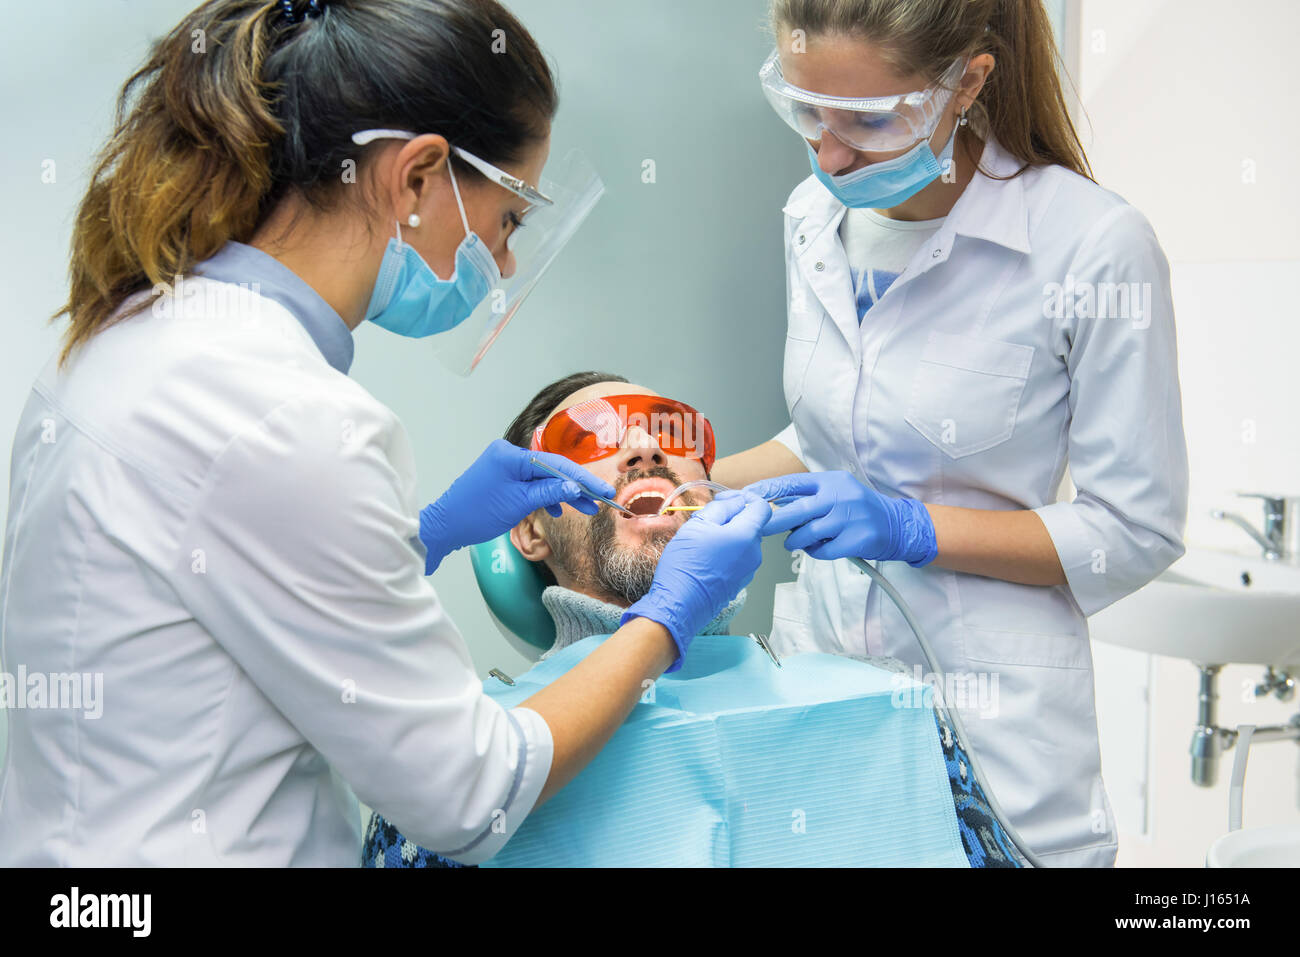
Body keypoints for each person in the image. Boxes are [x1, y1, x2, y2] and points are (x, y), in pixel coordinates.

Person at [0, 0, 767, 866]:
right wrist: (664, 621)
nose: (504, 264)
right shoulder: (293, 415)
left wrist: (421, 537)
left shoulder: (118, 339)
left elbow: (231, 588)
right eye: (509, 219)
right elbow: (469, 796)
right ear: (416, 178)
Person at [714, 0, 1189, 866]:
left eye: (867, 119)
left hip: (995, 741)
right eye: (808, 110)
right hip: (820, 712)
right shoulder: (812, 217)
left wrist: (914, 529)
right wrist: (698, 477)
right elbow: (831, 439)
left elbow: (1135, 528)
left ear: (966, 82)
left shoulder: (1091, 247)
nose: (829, 154)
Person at [363, 372, 1022, 868]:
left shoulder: (886, 704)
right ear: (529, 529)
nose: (648, 446)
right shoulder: (455, 745)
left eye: (673, 431)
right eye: (592, 433)